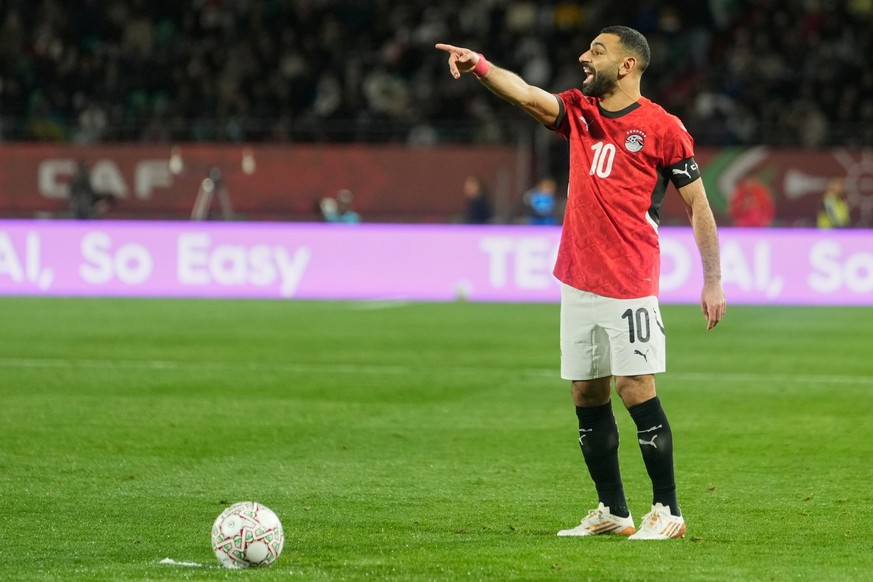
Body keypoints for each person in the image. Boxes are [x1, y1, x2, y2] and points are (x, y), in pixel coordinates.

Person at [437, 26, 726, 540]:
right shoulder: (578, 111)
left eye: (597, 51)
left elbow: (698, 204)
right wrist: (480, 65)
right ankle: (613, 511)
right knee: (586, 393)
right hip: (577, 276)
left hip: (629, 279)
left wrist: (713, 280)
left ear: (628, 65)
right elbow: (525, 93)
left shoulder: (663, 128)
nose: (583, 58)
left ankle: (669, 511)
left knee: (635, 388)